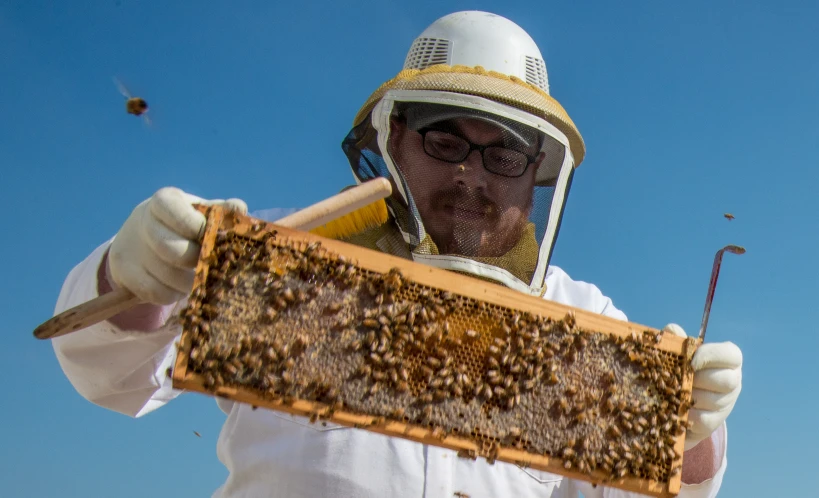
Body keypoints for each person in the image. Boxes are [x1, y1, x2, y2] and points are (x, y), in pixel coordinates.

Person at [49, 11, 742, 498]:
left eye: (501, 152)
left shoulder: (577, 314)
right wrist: (137, 273)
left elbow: (659, 492)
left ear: (534, 174)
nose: (471, 175)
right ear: (395, 139)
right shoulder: (289, 253)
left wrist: (687, 433)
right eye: (446, 141)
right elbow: (108, 374)